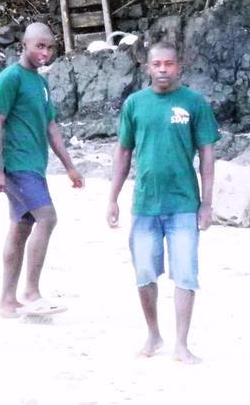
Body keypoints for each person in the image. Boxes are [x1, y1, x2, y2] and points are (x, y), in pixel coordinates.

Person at [108, 41, 218, 364]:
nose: (163, 70)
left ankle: (181, 344)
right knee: (144, 273)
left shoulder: (194, 104)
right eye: (157, 64)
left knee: (185, 274)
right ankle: (154, 334)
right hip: (144, 205)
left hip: (184, 204)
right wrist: (112, 198)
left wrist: (207, 204)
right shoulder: (134, 104)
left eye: (169, 64)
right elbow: (123, 153)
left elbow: (208, 158)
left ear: (179, 66)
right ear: (148, 67)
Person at [0, 22, 84, 318]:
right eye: (39, 46)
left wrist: (69, 166)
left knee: (21, 227)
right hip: (17, 166)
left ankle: (7, 301)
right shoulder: (10, 78)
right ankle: (30, 292)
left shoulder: (40, 83)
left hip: (35, 166)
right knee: (47, 218)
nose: (45, 52)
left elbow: (50, 126)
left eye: (50, 47)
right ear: (24, 46)